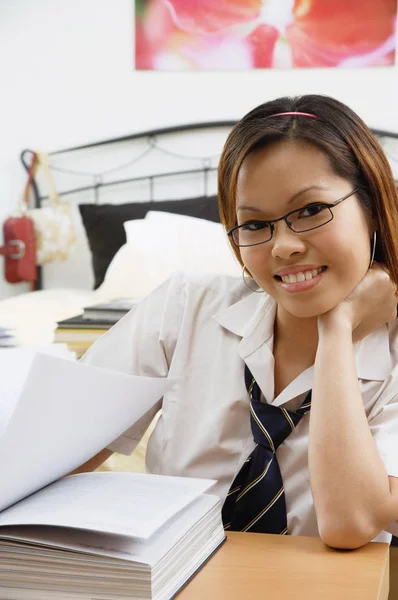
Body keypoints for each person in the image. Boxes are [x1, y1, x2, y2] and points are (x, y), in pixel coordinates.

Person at [79, 95, 398, 549]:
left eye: (310, 210)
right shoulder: (183, 307)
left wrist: (339, 331)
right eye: (253, 225)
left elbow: (352, 521)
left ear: (371, 206)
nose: (283, 246)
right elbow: (56, 456)